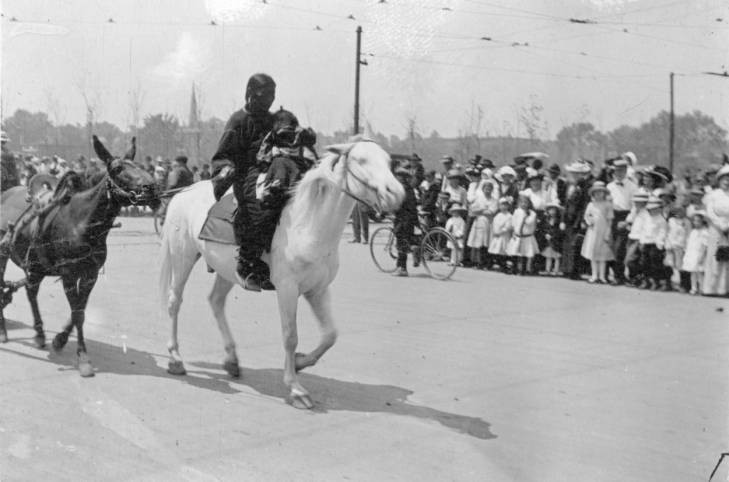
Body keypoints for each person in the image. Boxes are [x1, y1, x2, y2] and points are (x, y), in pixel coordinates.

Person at [210, 73, 277, 291]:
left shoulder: (272, 120)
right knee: (256, 206)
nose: (267, 101)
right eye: (263, 96)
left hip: (270, 173)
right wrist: (226, 167)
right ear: (249, 94)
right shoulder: (238, 121)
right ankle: (247, 263)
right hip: (245, 175)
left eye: (271, 96)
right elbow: (222, 154)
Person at [606, 158, 638, 285]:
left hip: (625, 216)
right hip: (612, 216)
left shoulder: (632, 186)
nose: (618, 173)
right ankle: (614, 274)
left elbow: (635, 206)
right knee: (611, 246)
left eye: (621, 171)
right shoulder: (610, 186)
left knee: (620, 248)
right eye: (616, 171)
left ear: (625, 171)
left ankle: (620, 276)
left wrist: (627, 221)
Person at [561, 160, 593, 280]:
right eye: (573, 173)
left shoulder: (585, 187)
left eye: (577, 173)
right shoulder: (569, 185)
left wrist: (582, 220)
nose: (574, 175)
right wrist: (563, 220)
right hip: (569, 217)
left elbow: (584, 205)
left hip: (578, 218)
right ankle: (566, 269)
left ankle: (575, 271)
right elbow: (566, 204)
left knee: (576, 245)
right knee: (568, 244)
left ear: (582, 174)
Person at [702, 165, 729, 295]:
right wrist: (721, 225)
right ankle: (709, 288)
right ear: (719, 180)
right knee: (714, 257)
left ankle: (723, 289)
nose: (727, 181)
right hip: (716, 229)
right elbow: (710, 213)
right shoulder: (713, 195)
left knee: (726, 259)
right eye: (724, 178)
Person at [581, 181, 614, 284]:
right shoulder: (591, 204)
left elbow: (610, 219)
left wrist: (608, 232)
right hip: (593, 231)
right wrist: (589, 221)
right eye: (596, 192)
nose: (598, 194)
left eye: (601, 192)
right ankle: (594, 275)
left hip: (603, 230)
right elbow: (587, 215)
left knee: (603, 255)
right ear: (593, 194)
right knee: (593, 254)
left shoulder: (608, 204)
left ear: (604, 193)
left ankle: (602, 276)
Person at [393, 167, 418, 277]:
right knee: (408, 239)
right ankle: (413, 247)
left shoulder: (399, 189)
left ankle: (402, 268)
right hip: (412, 218)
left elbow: (396, 204)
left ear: (399, 177)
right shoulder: (410, 188)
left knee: (400, 242)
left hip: (402, 219)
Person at [639, 197, 669, 290]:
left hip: (655, 244)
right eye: (650, 209)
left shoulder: (661, 220)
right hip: (646, 242)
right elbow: (643, 230)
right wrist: (642, 241)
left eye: (655, 209)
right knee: (644, 262)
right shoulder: (647, 218)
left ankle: (657, 282)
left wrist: (659, 244)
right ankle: (647, 281)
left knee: (655, 263)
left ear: (659, 209)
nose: (652, 211)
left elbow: (662, 232)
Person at [466, 180, 497, 269]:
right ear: (483, 189)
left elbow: (492, 212)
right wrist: (483, 210)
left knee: (487, 242)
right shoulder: (478, 198)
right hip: (479, 222)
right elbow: (473, 210)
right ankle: (477, 262)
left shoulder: (494, 200)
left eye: (490, 189)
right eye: (486, 188)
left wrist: (481, 210)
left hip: (488, 223)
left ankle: (486, 263)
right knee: (478, 242)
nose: (488, 190)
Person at [507, 192, 538, 275]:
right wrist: (513, 230)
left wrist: (526, 216)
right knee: (515, 253)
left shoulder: (532, 213)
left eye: (526, 202)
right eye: (521, 202)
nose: (523, 204)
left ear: (529, 203)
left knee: (524, 253)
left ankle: (523, 270)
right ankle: (514, 268)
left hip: (526, 236)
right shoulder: (517, 211)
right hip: (517, 235)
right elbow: (513, 221)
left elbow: (530, 222)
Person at [625, 192, 649, 286]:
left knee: (630, 259)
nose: (636, 204)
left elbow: (647, 228)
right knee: (632, 260)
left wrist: (642, 240)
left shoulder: (647, 213)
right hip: (631, 236)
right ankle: (633, 278)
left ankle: (637, 279)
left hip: (639, 239)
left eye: (639, 202)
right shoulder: (634, 210)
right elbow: (629, 220)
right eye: (635, 202)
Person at [665, 206, 691, 292]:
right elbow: (668, 233)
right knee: (670, 264)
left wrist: (687, 247)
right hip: (671, 245)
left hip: (681, 246)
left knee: (680, 266)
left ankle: (682, 284)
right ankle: (671, 283)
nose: (679, 213)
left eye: (681, 212)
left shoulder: (687, 222)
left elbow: (688, 235)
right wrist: (668, 244)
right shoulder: (671, 221)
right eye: (677, 212)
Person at [682, 211, 709, 295]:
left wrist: (702, 255)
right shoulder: (693, 231)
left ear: (703, 222)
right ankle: (693, 288)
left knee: (700, 273)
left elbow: (705, 245)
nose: (696, 223)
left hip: (699, 254)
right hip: (692, 254)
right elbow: (690, 242)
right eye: (694, 221)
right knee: (692, 272)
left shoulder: (704, 232)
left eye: (698, 221)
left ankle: (701, 288)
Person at [489, 197, 514, 272]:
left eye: (505, 205)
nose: (503, 207)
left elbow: (508, 226)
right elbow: (494, 224)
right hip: (496, 235)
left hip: (504, 235)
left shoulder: (509, 216)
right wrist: (495, 231)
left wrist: (500, 232)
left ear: (508, 206)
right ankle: (498, 263)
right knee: (496, 249)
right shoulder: (497, 215)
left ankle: (504, 265)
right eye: (502, 205)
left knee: (503, 249)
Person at [542, 203, 565, 276]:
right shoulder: (546, 219)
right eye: (550, 210)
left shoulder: (558, 220)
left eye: (554, 210)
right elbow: (544, 228)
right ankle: (547, 270)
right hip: (548, 241)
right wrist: (545, 234)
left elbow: (559, 231)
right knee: (548, 256)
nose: (552, 212)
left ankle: (556, 270)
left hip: (556, 241)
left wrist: (553, 236)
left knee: (556, 256)